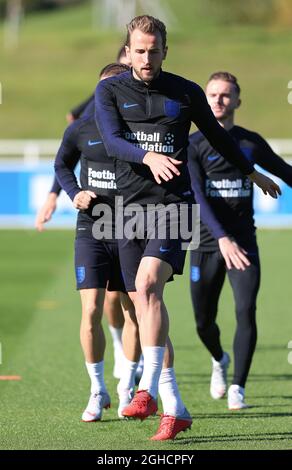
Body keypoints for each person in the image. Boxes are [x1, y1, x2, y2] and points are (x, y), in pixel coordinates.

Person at [94, 15, 280, 439]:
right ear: (128, 50)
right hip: (126, 208)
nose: (145, 58)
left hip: (172, 206)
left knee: (148, 286)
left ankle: (145, 389)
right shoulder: (109, 89)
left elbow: (218, 137)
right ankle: (174, 405)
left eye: (153, 50)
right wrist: (148, 157)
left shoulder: (186, 91)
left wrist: (251, 174)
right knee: (142, 305)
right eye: (138, 50)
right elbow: (111, 141)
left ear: (165, 49)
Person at [187, 71, 292, 409]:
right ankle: (219, 358)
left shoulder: (249, 141)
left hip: (244, 244)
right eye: (213, 94)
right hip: (206, 244)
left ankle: (238, 389)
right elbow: (198, 197)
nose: (219, 100)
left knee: (246, 310)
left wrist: (233, 240)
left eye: (226, 95)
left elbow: (286, 173)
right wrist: (221, 238)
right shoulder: (193, 144)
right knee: (203, 322)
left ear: (238, 101)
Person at [54, 62, 143, 421]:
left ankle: (127, 389)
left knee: (133, 309)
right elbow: (61, 165)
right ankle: (97, 390)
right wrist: (74, 193)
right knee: (90, 308)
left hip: (132, 226)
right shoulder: (80, 130)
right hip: (92, 226)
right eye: (103, 90)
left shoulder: (141, 133)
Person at [65, 44, 131, 124]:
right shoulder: (102, 96)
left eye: (131, 67)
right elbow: (72, 116)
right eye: (124, 67)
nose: (126, 72)